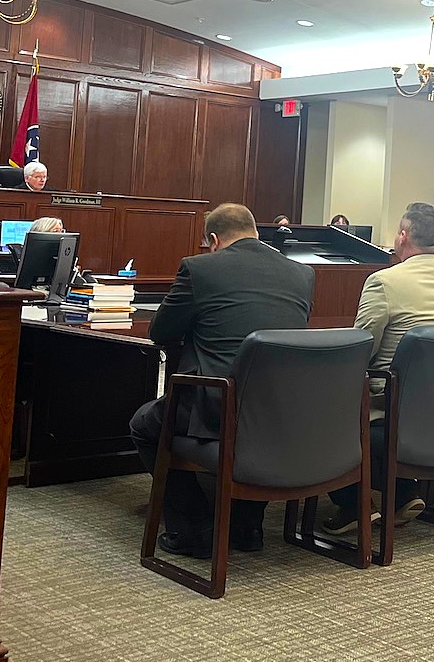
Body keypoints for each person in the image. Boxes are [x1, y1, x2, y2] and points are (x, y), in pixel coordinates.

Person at [129, 203, 314, 558]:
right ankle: (247, 527)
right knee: (250, 429)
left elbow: (161, 330)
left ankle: (194, 529)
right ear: (256, 233)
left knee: (144, 425)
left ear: (213, 240)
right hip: (280, 409)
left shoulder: (200, 269)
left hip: (216, 406)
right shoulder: (301, 273)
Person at [324, 203, 434, 534]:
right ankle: (409, 491)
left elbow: (359, 348)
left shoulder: (383, 282)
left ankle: (353, 504)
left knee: (324, 402)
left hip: (393, 408)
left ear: (403, 236)